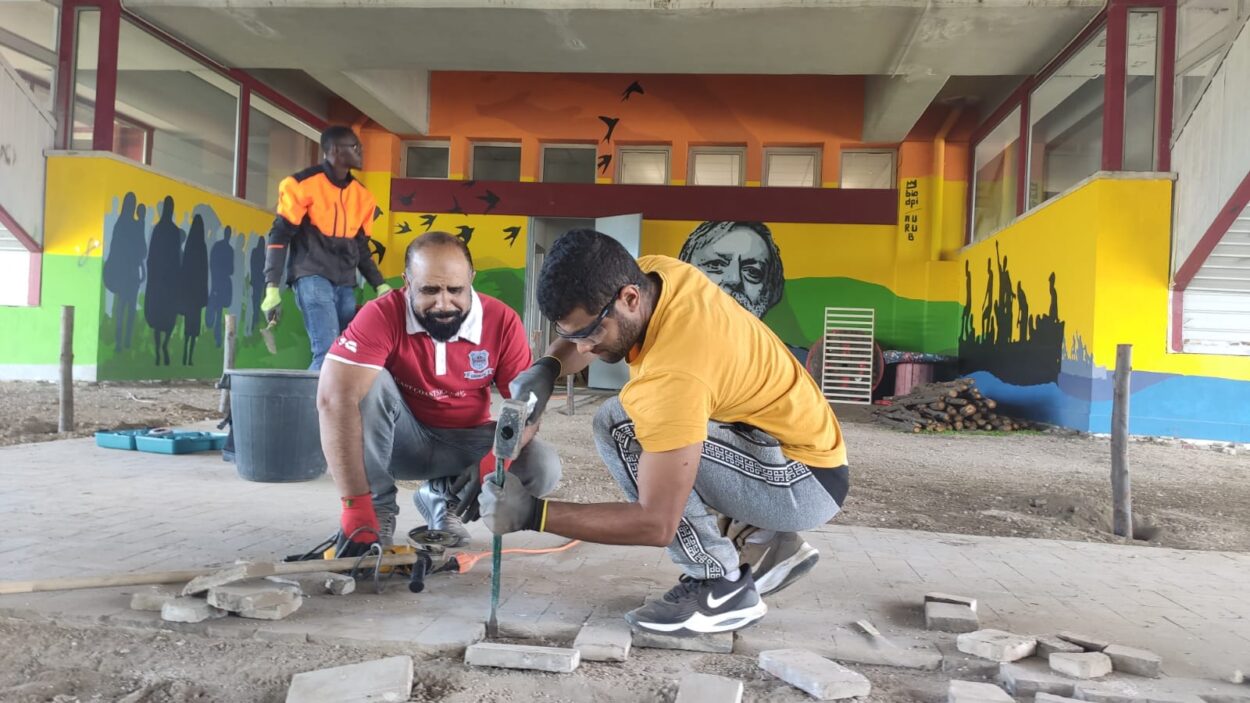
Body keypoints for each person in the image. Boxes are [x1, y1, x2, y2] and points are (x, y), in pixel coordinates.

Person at [485, 229, 849, 636]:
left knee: (622, 426)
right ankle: (767, 545)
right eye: (572, 336)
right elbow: (579, 340)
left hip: (800, 483)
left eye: (589, 334)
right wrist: (547, 368)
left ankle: (720, 588)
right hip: (786, 451)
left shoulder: (674, 373)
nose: (583, 350)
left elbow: (656, 523)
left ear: (629, 299)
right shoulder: (657, 274)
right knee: (652, 425)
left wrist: (533, 514)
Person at [316, 232, 562, 557]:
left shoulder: (502, 321)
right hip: (398, 442)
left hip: (464, 445)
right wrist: (354, 504)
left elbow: (525, 408)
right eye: (429, 290)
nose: (444, 304)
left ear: (471, 279)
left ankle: (443, 500)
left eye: (456, 290)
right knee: (363, 384)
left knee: (542, 466)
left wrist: (495, 462)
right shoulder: (380, 315)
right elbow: (334, 399)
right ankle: (375, 513)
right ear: (406, 282)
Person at [261, 126, 392, 370]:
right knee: (327, 353)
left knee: (344, 354)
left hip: (345, 283)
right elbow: (279, 236)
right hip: (312, 277)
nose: (361, 152)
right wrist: (272, 287)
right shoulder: (300, 185)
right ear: (333, 150)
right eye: (354, 147)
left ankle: (334, 407)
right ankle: (311, 408)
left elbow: (360, 248)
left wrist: (380, 284)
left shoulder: (363, 197)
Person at [677, 221, 784, 319]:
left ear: (770, 292)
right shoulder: (663, 339)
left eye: (752, 271)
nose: (734, 279)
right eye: (715, 264)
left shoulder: (771, 341)